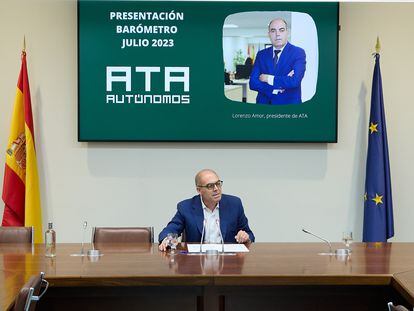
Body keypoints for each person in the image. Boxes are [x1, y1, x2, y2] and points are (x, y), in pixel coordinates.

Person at [158, 169, 255, 251]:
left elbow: (249, 234)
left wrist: (245, 237)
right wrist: (168, 240)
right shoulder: (186, 207)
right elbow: (171, 229)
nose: (216, 189)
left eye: (218, 184)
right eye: (210, 186)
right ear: (199, 190)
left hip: (228, 261)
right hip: (196, 263)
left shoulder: (234, 204)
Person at [249, 18, 306, 105]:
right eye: (273, 31)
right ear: (269, 34)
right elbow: (253, 83)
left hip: (288, 108)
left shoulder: (298, 52)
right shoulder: (261, 54)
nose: (277, 34)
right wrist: (276, 88)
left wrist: (268, 78)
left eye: (281, 30)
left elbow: (295, 81)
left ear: (287, 32)